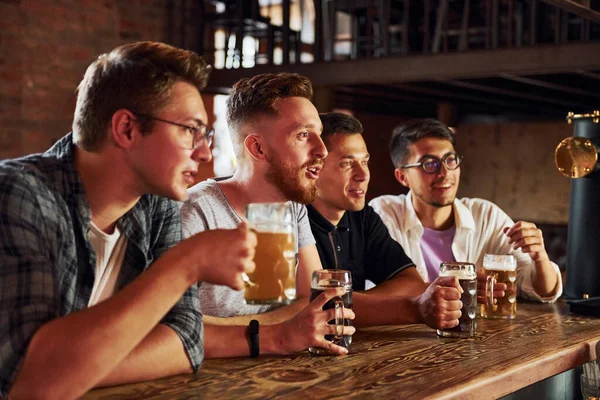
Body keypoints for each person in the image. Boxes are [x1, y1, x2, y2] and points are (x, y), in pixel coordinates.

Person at [0, 41, 258, 399]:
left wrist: (76, 368)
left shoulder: (155, 204)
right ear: (126, 129)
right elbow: (27, 384)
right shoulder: (20, 195)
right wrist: (188, 263)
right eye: (190, 130)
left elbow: (187, 339)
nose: (204, 152)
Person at [181, 73, 355, 358]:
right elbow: (172, 331)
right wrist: (281, 330)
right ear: (257, 148)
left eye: (319, 134)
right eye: (303, 135)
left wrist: (231, 329)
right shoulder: (196, 212)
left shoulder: (290, 207)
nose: (322, 150)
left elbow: (311, 302)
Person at [369, 118, 562, 303]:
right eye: (430, 164)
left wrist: (540, 257)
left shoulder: (485, 215)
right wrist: (459, 288)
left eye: (450, 160)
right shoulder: (384, 214)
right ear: (402, 176)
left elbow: (541, 290)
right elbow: (378, 290)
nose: (444, 173)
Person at [308, 112, 465, 328]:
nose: (363, 175)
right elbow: (310, 308)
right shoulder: (293, 219)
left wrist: (351, 304)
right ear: (314, 169)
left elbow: (411, 283)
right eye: (347, 164)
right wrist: (409, 308)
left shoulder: (362, 216)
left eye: (365, 162)